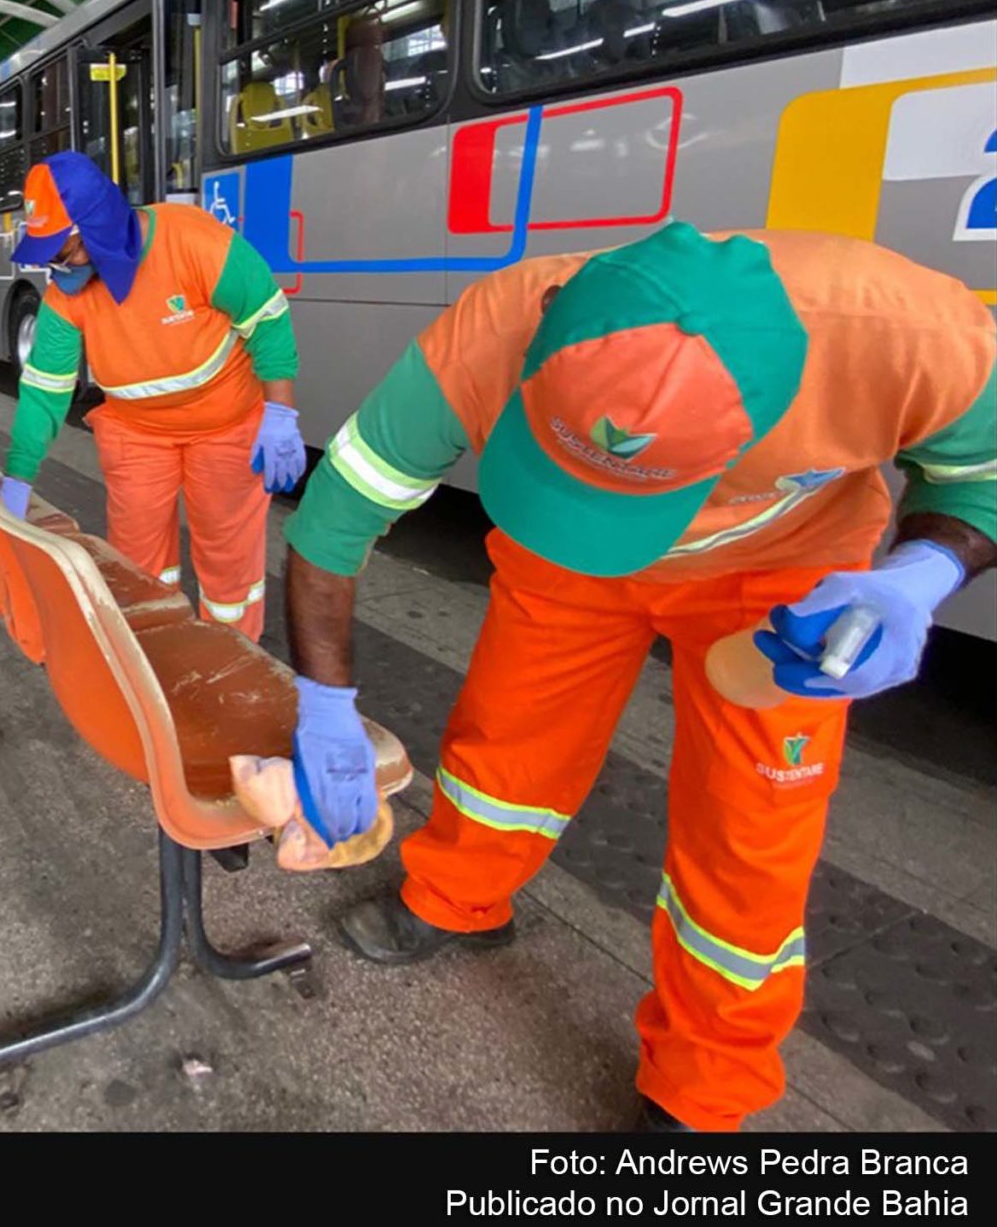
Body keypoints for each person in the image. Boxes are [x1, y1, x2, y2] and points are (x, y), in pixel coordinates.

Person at [275, 223, 995, 1132]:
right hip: (563, 555)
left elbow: (983, 481)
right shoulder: (495, 325)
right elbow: (334, 521)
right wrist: (325, 703)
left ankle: (704, 1085)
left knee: (752, 827)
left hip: (784, 574)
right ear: (545, 329)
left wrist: (919, 577)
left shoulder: (909, 337)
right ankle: (456, 897)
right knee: (506, 736)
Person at [0, 151, 304, 639]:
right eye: (51, 256)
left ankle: (233, 657)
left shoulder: (194, 241)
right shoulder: (66, 296)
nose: (59, 267)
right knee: (136, 561)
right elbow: (44, 388)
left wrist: (280, 413)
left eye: (65, 251)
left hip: (225, 426)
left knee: (228, 560)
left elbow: (266, 321)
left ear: (99, 226)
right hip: (137, 433)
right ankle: (156, 653)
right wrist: (17, 475)